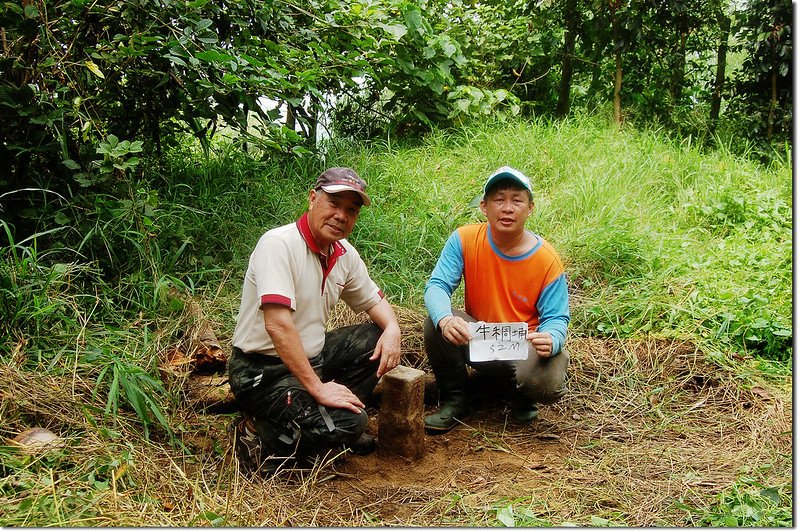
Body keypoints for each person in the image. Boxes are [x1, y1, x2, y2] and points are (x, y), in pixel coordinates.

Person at [227, 167, 402, 476]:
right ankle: (261, 432)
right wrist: (318, 389)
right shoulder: (278, 244)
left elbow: (376, 303)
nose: (341, 215)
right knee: (352, 423)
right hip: (261, 371)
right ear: (312, 199)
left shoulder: (343, 253)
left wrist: (393, 329)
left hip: (312, 357)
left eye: (351, 210)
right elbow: (277, 325)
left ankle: (330, 418)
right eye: (334, 203)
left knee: (374, 338)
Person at [423, 165, 570, 432]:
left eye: (517, 200)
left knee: (546, 381)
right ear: (484, 206)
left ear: (530, 208)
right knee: (436, 323)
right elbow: (437, 286)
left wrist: (552, 338)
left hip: (525, 344)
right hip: (481, 338)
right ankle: (456, 398)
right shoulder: (464, 238)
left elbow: (557, 317)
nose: (507, 208)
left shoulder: (546, 259)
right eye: (499, 199)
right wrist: (444, 319)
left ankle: (523, 395)